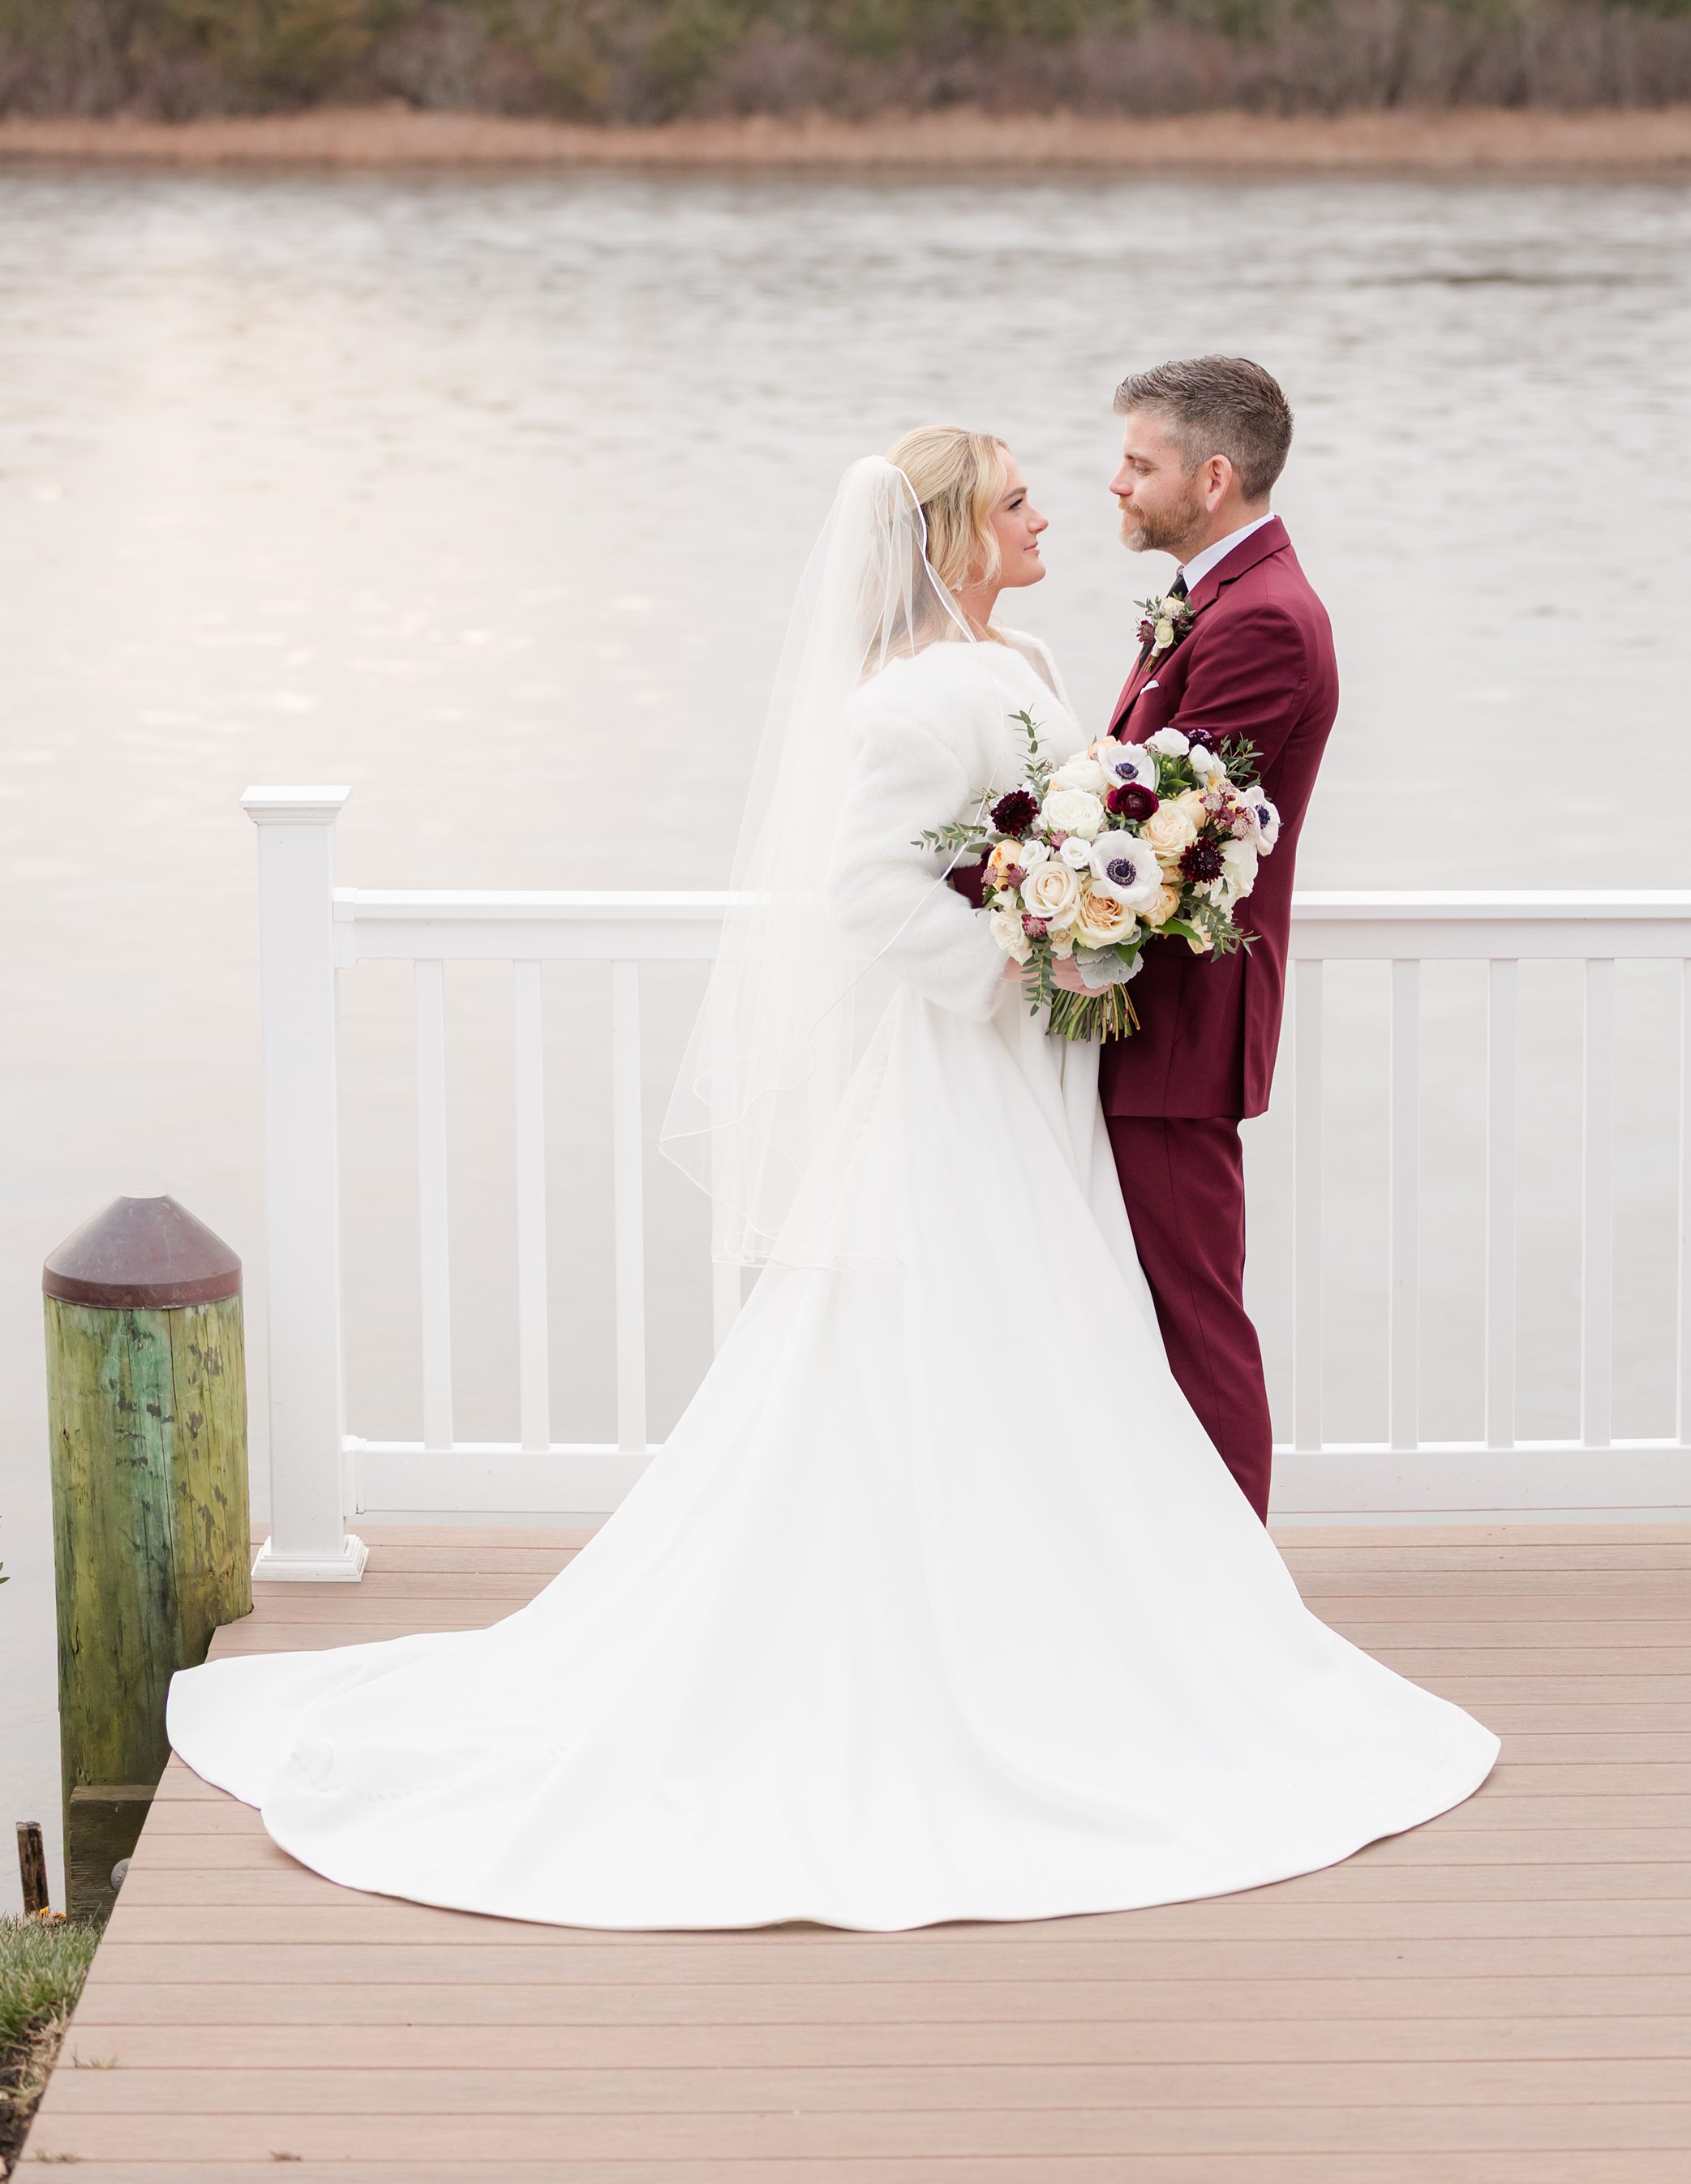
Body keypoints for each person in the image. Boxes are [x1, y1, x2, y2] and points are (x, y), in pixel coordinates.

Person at [165, 426, 1493, 1933]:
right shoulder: (908, 704)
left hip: (1046, 1072)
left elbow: (1084, 817)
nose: (1051, 506)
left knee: (1068, 1339)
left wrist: (1068, 907)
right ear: (948, 536)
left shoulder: (1033, 662)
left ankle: (1087, 1619)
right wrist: (1027, 946)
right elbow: (867, 892)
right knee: (958, 1336)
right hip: (966, 1069)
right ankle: (959, 1638)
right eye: (1015, 499)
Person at [1099, 356, 1337, 1519]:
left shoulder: (1264, 623)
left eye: (1139, 465)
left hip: (1180, 1031)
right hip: (1150, 1030)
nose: (1118, 485)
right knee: (1160, 1315)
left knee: (1197, 1322)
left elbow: (1159, 840)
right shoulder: (1226, 594)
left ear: (1214, 475)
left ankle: (1235, 1589)